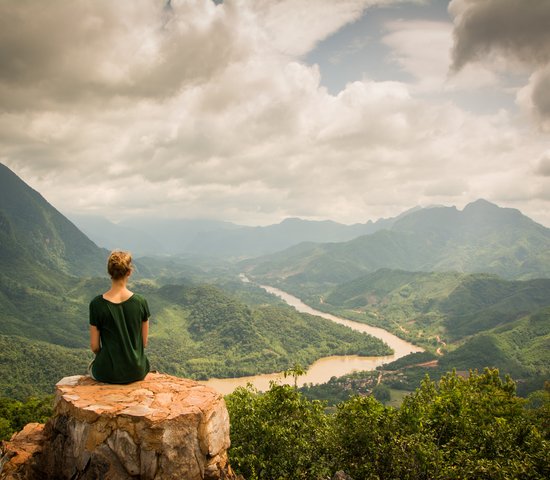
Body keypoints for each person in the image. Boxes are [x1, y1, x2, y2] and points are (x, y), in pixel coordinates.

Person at [88, 250, 151, 383]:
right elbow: (144, 343)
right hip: (137, 371)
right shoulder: (141, 302)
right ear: (129, 272)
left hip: (107, 373)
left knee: (91, 368)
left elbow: (94, 346)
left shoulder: (96, 304)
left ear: (110, 272)